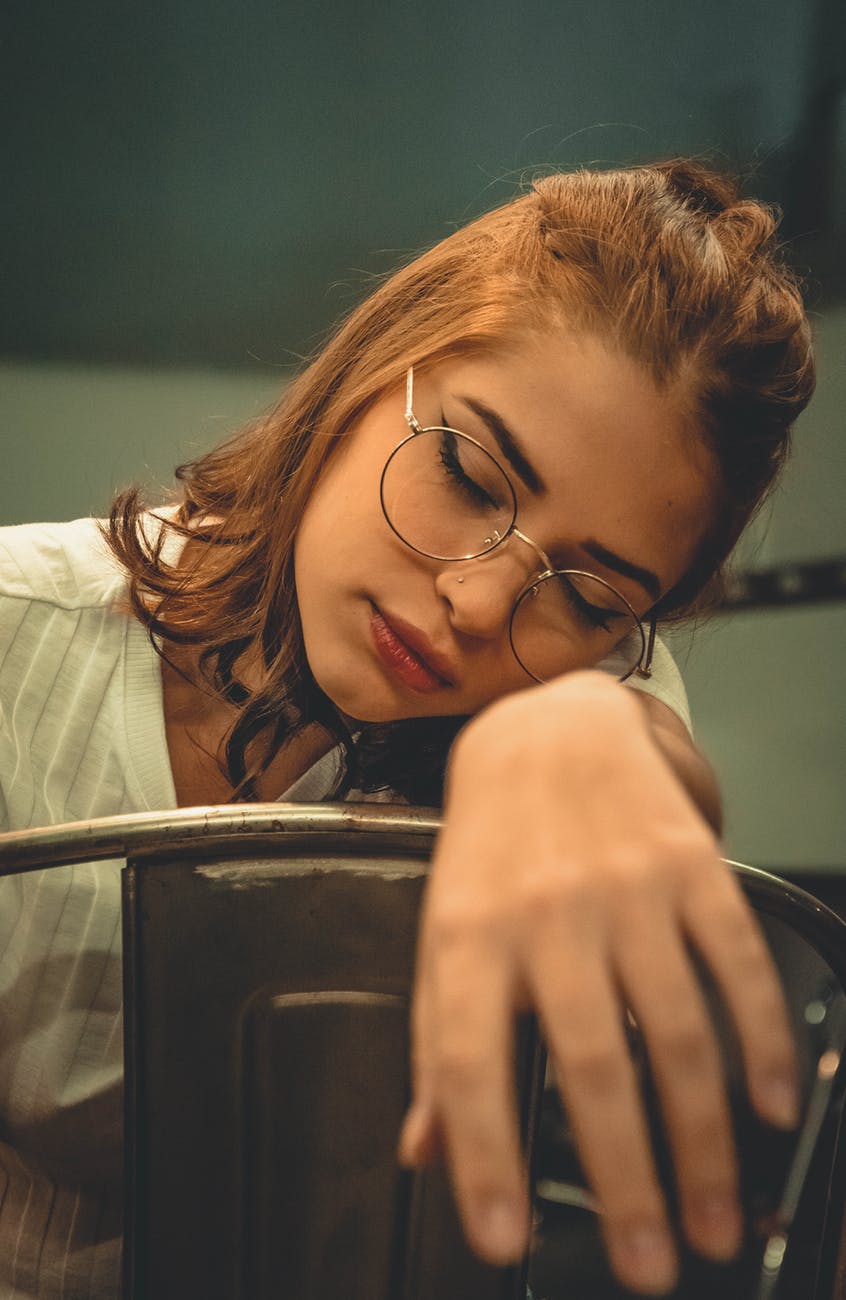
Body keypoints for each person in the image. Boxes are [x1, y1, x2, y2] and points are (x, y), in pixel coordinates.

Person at [0, 159, 814, 1299]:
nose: (480, 605)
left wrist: (593, 732)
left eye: (585, 593)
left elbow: (639, 755)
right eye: (470, 473)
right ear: (374, 369)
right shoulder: (14, 633)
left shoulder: (586, 677)